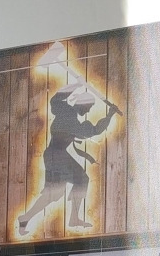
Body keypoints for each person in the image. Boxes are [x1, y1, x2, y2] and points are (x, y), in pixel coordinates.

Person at [17, 87, 121, 233]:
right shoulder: (68, 115)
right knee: (58, 191)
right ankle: (28, 218)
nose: (89, 110)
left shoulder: (67, 114)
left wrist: (75, 86)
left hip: (58, 156)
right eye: (89, 107)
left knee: (70, 185)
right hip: (56, 157)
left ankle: (66, 217)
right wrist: (109, 115)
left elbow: (56, 101)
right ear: (83, 104)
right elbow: (94, 130)